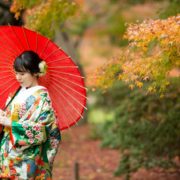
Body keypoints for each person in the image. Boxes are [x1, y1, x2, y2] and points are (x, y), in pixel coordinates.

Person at [0, 51, 61, 179]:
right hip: (5, 156)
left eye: (22, 74)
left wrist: (10, 123)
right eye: (16, 73)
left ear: (35, 72)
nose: (18, 78)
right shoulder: (17, 94)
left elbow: (42, 132)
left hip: (23, 162)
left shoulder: (42, 98)